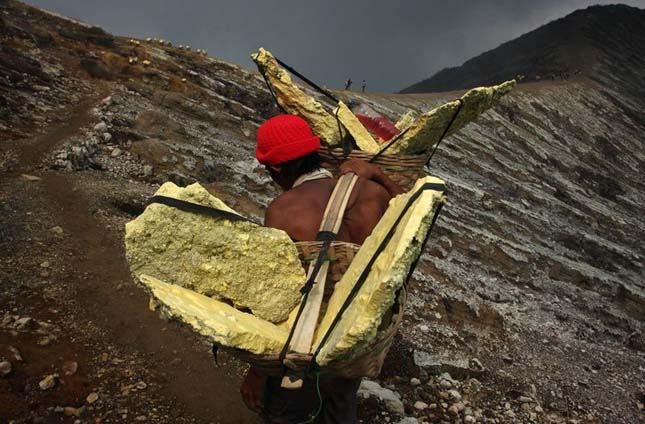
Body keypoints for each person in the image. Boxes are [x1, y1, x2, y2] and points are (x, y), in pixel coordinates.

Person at [241, 114, 403, 423]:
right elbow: (412, 213)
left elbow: (280, 295)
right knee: (340, 406)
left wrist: (258, 371)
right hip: (354, 337)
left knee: (287, 412)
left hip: (306, 345)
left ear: (276, 168)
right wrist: (376, 174)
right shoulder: (373, 193)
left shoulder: (283, 211)